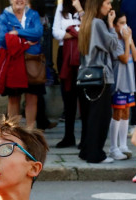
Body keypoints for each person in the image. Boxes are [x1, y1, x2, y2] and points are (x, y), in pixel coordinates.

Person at [77, 0, 120, 163]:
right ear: (98, 4)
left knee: (91, 116)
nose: (110, 7)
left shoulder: (86, 23)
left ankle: (87, 151)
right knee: (101, 116)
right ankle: (95, 154)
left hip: (88, 75)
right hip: (100, 74)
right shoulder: (98, 24)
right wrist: (110, 25)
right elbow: (113, 45)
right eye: (108, 3)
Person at [0, 0, 44, 130]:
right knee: (13, 97)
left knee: (32, 97)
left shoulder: (33, 14)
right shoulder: (4, 16)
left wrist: (17, 33)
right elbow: (3, 38)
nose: (19, 1)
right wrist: (26, 42)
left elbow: (38, 33)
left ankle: (30, 131)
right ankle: (14, 130)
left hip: (32, 60)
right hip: (13, 61)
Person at [52, 0, 83, 148]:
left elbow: (89, 29)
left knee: (84, 97)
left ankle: (85, 137)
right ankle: (68, 136)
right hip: (64, 55)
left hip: (82, 53)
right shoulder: (61, 6)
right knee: (68, 95)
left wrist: (79, 8)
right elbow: (56, 32)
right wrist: (74, 33)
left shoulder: (86, 6)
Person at [108, 11, 136, 160]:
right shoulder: (115, 41)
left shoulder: (126, 39)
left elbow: (135, 56)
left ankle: (123, 145)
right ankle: (113, 147)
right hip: (119, 82)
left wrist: (130, 40)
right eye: (121, 23)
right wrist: (126, 41)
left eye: (126, 22)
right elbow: (125, 59)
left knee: (126, 113)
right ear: (114, 25)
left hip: (129, 81)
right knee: (117, 113)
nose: (124, 26)